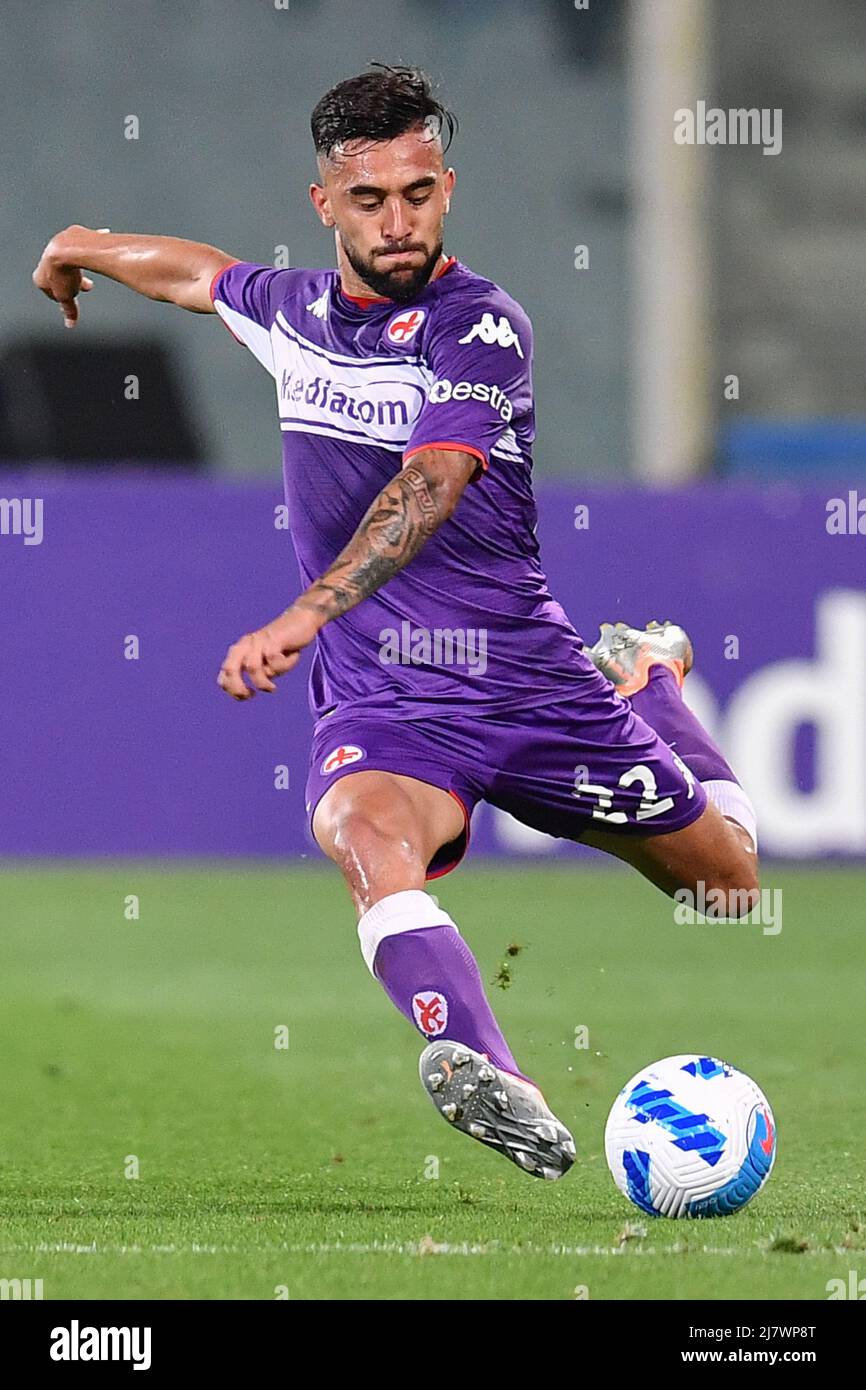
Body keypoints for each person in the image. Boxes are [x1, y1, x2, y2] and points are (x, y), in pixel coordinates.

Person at [33, 63, 758, 1183]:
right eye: (369, 199)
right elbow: (198, 276)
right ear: (323, 204)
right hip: (391, 698)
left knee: (725, 891)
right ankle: (484, 1065)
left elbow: (425, 489)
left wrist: (302, 613)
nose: (397, 219)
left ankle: (651, 678)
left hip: (526, 682)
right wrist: (84, 241)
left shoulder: (482, 329)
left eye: (417, 193)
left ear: (447, 189)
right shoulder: (292, 313)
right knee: (364, 838)